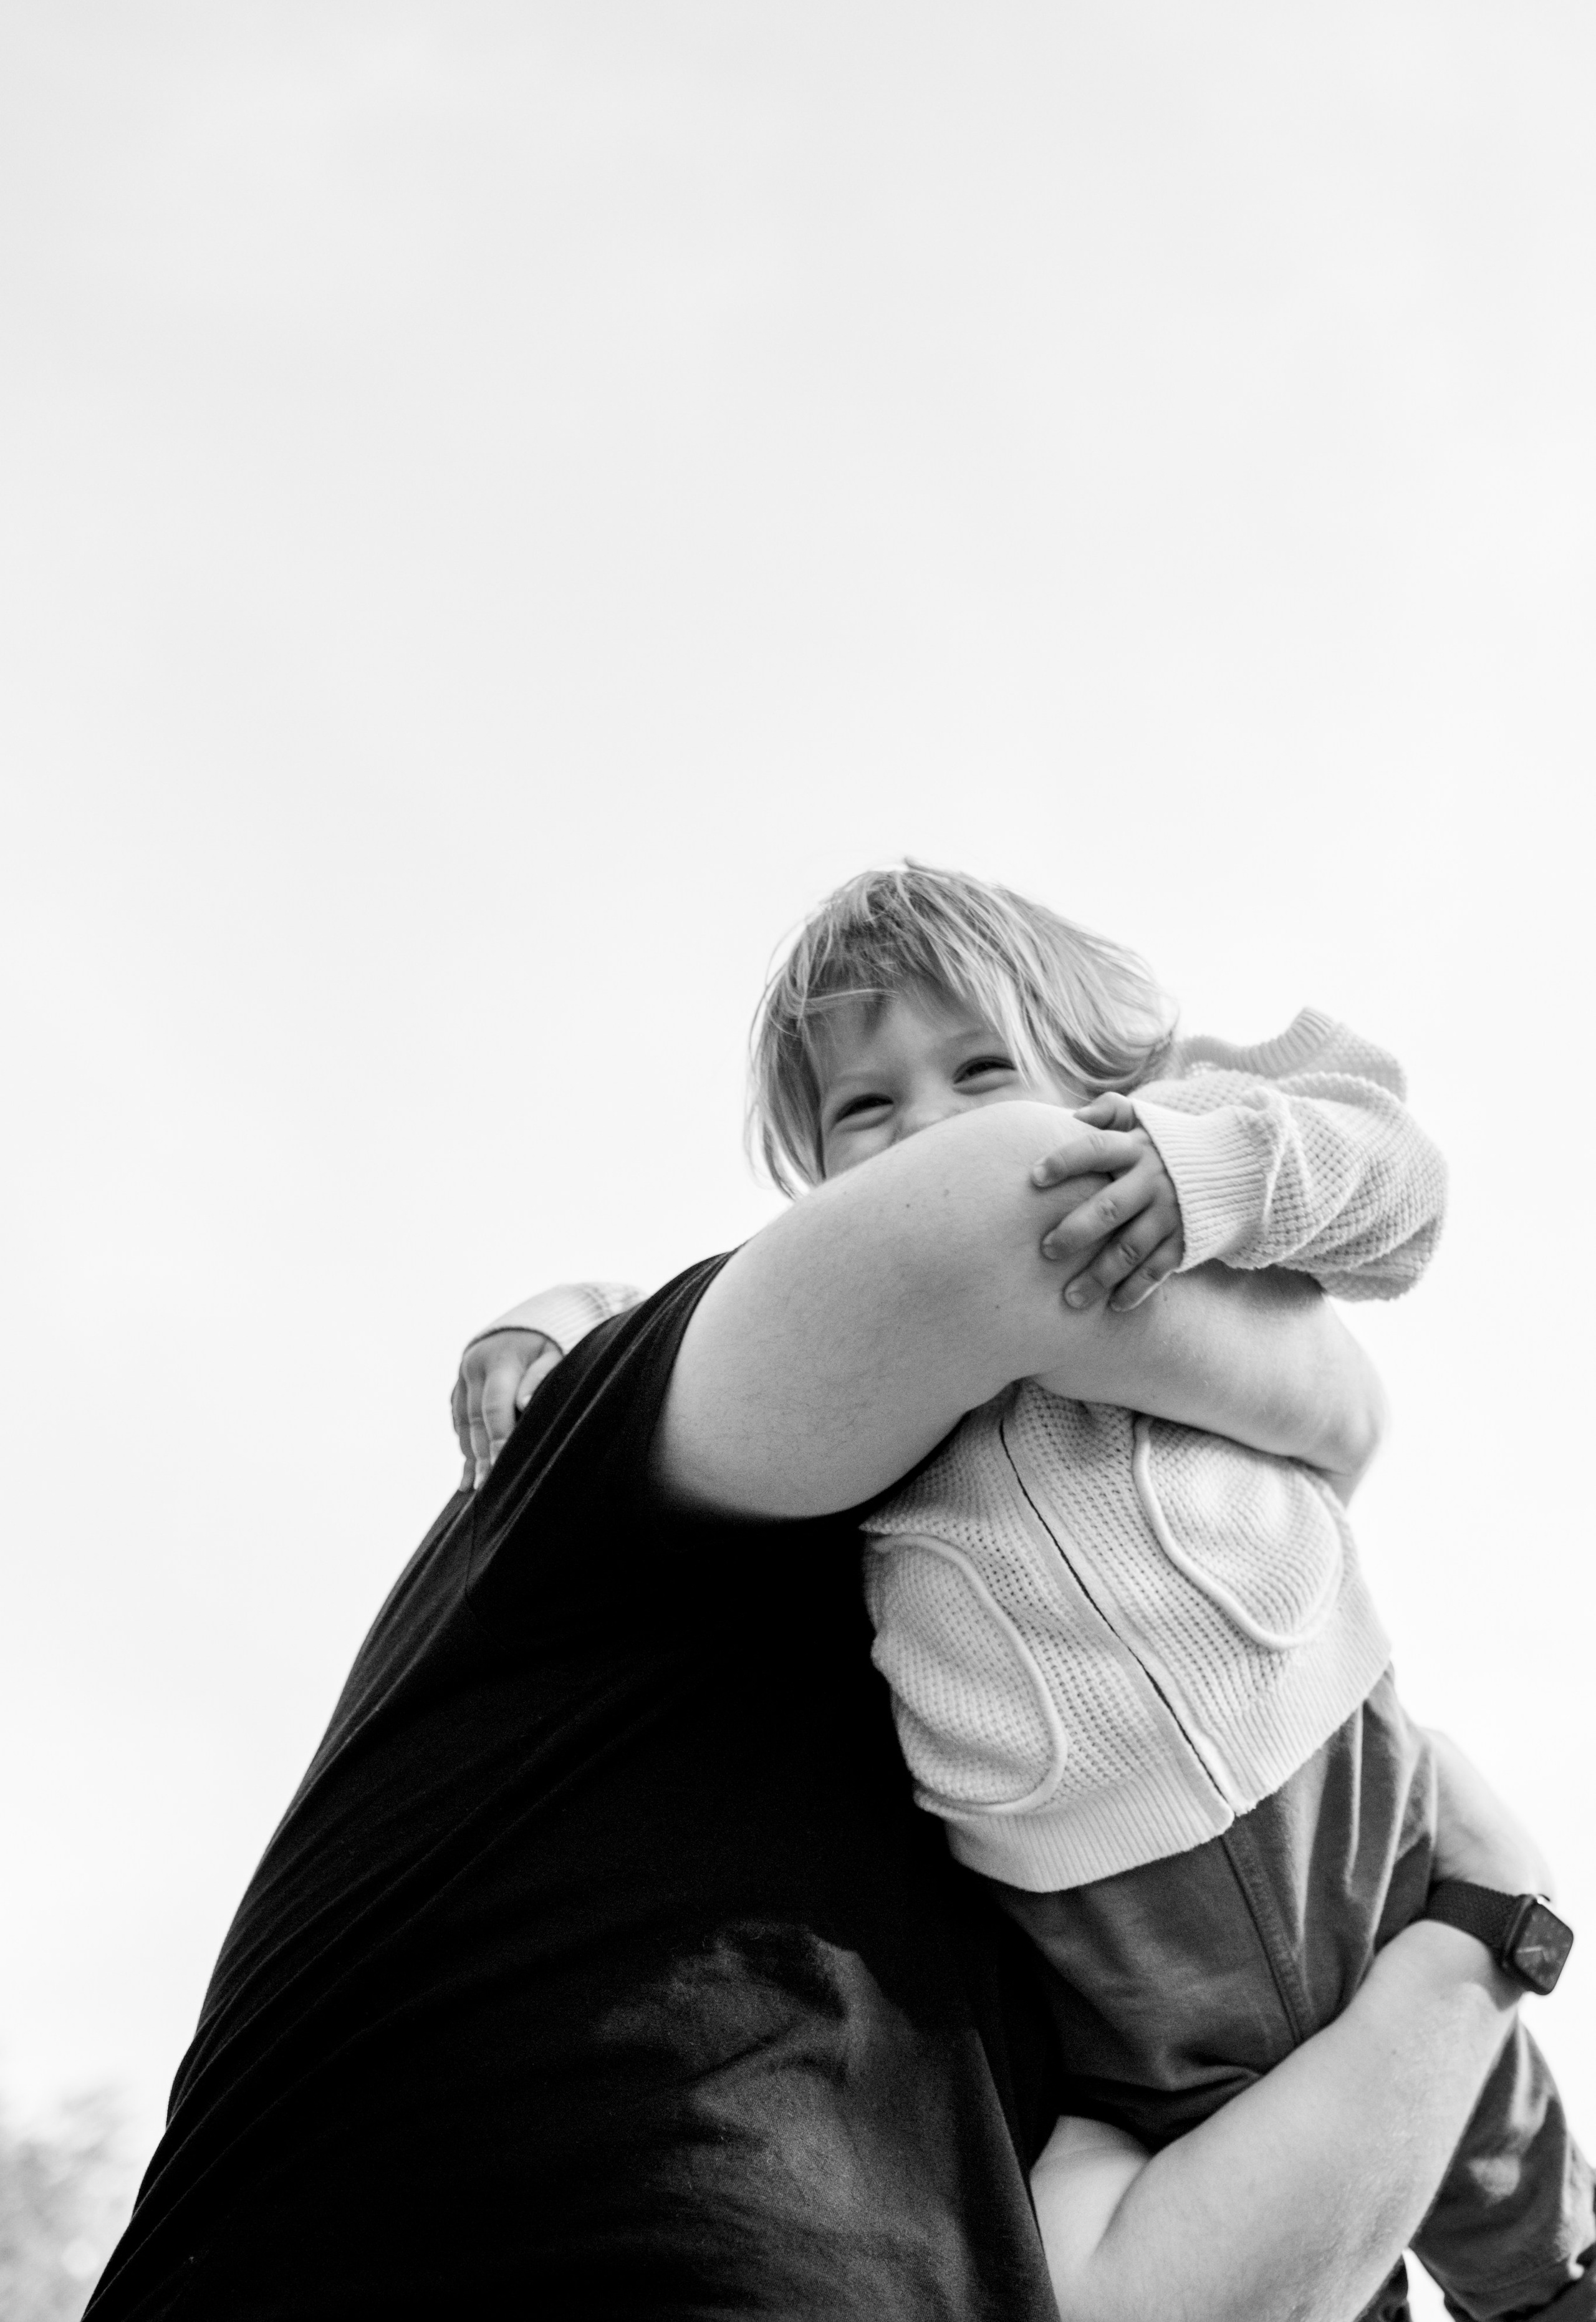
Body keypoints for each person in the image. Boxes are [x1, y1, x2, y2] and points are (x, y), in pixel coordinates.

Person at [90, 916, 1557, 2322]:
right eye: (866, 1107)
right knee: (1250, 2211)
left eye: (980, 1070)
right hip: (1094, 1914)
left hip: (1336, 1773)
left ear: (1100, 1073)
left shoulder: (1165, 1160)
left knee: (1514, 2174)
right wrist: (545, 1318)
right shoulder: (855, 1349)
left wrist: (1219, 1170)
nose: (925, 1123)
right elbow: (696, 1318)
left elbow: (1388, 1168)